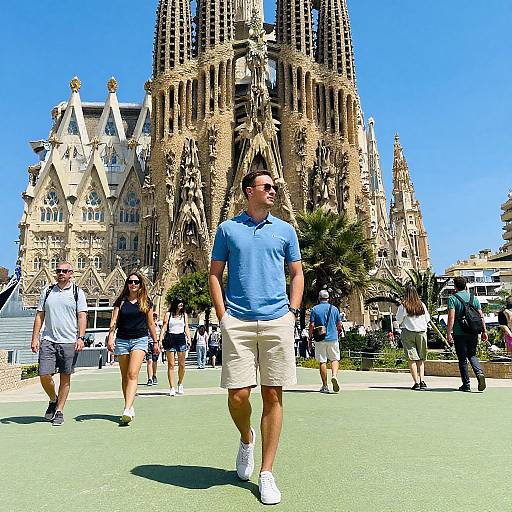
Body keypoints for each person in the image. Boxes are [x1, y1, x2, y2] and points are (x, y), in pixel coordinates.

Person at [209, 169, 304, 505]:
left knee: (273, 395)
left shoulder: (286, 230)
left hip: (278, 319)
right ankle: (246, 438)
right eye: (267, 187)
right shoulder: (227, 228)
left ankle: (266, 472)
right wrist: (223, 317)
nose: (273, 191)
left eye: (275, 187)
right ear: (249, 191)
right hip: (239, 321)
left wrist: (292, 312)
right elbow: (215, 274)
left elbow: (296, 273)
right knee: (238, 395)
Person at [30, 262, 87, 426]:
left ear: (71, 273)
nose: (61, 273)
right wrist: (35, 337)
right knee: (44, 374)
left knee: (65, 377)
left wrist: (81, 337)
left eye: (64, 271)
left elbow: (82, 316)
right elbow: (39, 315)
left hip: (69, 340)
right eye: (58, 270)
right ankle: (53, 399)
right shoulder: (47, 291)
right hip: (48, 339)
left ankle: (60, 410)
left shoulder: (78, 293)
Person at [107, 273, 158, 424]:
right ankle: (128, 404)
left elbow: (150, 324)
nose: (133, 284)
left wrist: (155, 342)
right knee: (124, 376)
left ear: (141, 284)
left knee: (132, 374)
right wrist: (110, 337)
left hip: (140, 340)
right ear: (127, 284)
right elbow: (114, 321)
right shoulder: (121, 302)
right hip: (122, 340)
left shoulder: (146, 302)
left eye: (136, 282)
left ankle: (127, 408)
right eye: (130, 282)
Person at [447, 276, 488, 392]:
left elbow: (451, 316)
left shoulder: (452, 299)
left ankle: (466, 384)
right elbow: (481, 315)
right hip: (473, 331)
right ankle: (479, 373)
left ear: (455, 286)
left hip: (459, 333)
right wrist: (484, 331)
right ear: (465, 285)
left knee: (462, 359)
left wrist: (449, 332)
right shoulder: (473, 298)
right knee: (472, 355)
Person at [395, 284, 430, 390]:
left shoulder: (404, 305)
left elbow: (399, 320)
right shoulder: (422, 305)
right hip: (421, 332)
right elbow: (427, 319)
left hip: (408, 332)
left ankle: (416, 382)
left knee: (412, 358)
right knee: (421, 358)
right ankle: (422, 380)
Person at [308, 290, 343, 393]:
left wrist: (310, 337)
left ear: (319, 298)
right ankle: (334, 376)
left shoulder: (315, 309)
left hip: (320, 339)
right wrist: (338, 331)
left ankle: (325, 386)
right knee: (335, 359)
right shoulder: (334, 309)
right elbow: (339, 324)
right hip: (333, 337)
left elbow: (311, 325)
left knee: (322, 361)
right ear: (328, 298)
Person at [160, 297, 191, 396]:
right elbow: (164, 327)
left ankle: (180, 383)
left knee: (182, 364)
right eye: (179, 302)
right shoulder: (168, 315)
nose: (181, 304)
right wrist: (160, 339)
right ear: (175, 303)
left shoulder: (184, 315)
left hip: (181, 338)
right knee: (171, 364)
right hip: (170, 338)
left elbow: (186, 327)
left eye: (182, 303)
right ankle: (172, 387)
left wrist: (189, 338)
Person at [146, 312, 161, 385]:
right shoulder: (147, 325)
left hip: (156, 344)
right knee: (149, 361)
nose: (154, 318)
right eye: (152, 317)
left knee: (154, 361)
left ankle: (154, 375)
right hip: (148, 343)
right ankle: (149, 378)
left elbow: (161, 335)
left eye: (155, 317)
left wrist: (160, 344)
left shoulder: (158, 326)